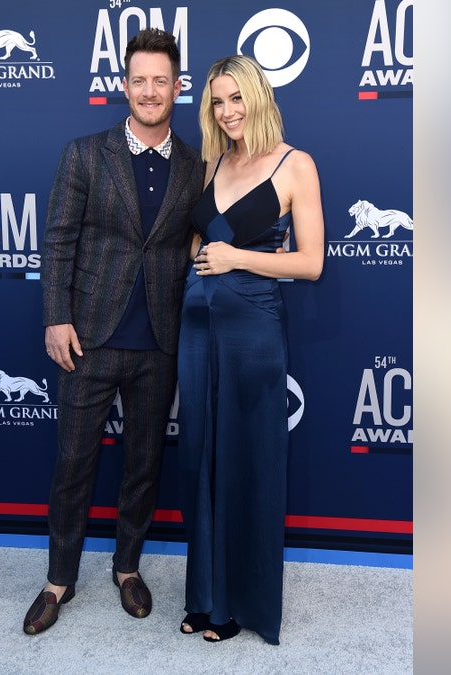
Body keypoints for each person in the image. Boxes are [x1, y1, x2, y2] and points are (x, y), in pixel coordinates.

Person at [23, 28, 203, 636]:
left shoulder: (194, 165)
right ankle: (58, 579)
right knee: (74, 462)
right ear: (122, 85)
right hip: (89, 337)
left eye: (161, 81)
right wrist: (56, 316)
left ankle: (128, 567)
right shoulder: (84, 153)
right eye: (139, 80)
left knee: (144, 462)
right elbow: (59, 240)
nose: (150, 91)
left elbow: (201, 237)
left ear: (178, 87)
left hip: (159, 340)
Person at [175, 55, 325, 645]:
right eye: (217, 101)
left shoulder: (295, 165)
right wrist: (199, 259)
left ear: (259, 97)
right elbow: (197, 234)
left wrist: (236, 259)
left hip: (253, 329)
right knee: (200, 459)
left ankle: (240, 603)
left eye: (236, 98)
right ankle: (205, 595)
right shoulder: (215, 161)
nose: (227, 111)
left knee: (245, 458)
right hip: (196, 326)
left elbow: (311, 263)